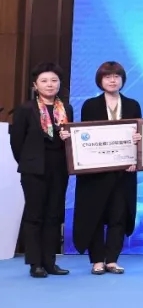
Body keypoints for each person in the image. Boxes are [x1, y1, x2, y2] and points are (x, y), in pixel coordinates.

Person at [73, 61, 142, 275]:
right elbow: (86, 137)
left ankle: (112, 259)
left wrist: (136, 155)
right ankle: (96, 260)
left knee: (118, 216)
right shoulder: (90, 105)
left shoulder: (132, 105)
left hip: (124, 172)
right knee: (95, 215)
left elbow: (138, 136)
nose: (113, 80)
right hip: (96, 173)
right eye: (108, 77)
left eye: (116, 76)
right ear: (100, 80)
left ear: (122, 80)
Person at [10, 63, 72, 278]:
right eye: (44, 81)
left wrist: (67, 138)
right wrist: (28, 162)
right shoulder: (26, 109)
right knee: (35, 215)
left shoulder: (66, 109)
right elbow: (17, 142)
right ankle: (35, 263)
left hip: (59, 168)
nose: (50, 84)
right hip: (34, 170)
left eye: (54, 80)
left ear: (60, 84)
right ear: (35, 85)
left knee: (54, 215)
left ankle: (50, 261)